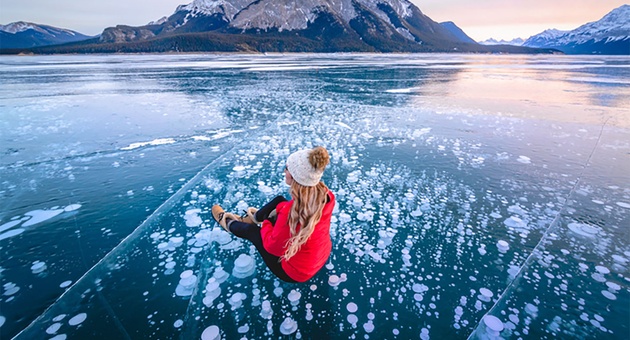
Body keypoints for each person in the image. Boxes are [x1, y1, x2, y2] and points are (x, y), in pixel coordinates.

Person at [212, 146, 335, 283]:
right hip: (319, 256)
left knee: (253, 232)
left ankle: (228, 222)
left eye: (287, 168)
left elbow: (272, 247)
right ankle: (254, 218)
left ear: (296, 177)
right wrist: (281, 209)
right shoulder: (327, 195)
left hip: (296, 272)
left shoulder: (290, 211)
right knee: (280, 201)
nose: (284, 171)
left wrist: (267, 222)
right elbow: (292, 212)